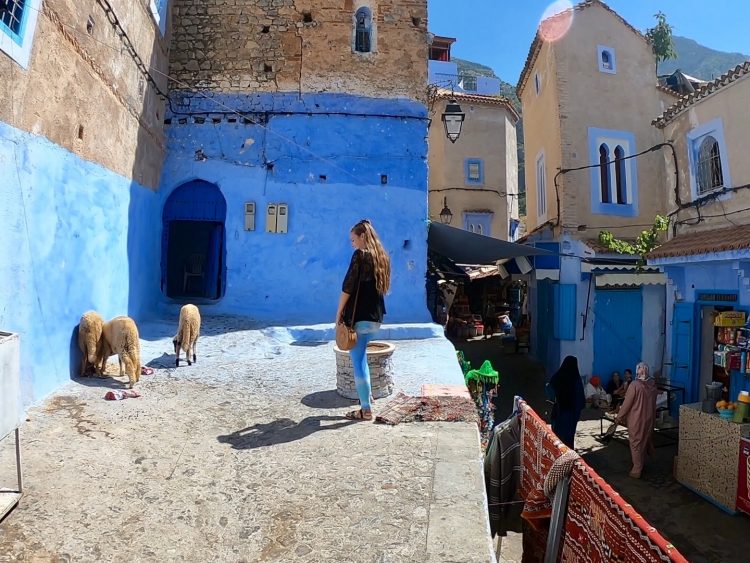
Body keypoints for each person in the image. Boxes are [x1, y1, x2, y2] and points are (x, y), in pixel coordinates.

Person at [336, 220, 391, 421]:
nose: (352, 243)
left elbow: (348, 287)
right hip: (375, 317)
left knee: (358, 362)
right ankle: (366, 398)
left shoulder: (360, 255)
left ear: (362, 237)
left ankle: (365, 410)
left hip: (358, 316)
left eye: (353, 239)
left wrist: (338, 313)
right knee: (363, 358)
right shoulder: (382, 257)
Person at [615, 361, 657, 478]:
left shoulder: (634, 385)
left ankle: (637, 469)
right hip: (649, 418)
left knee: (636, 443)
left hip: (636, 419)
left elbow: (627, 404)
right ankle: (641, 463)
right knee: (643, 440)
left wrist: (619, 417)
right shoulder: (652, 384)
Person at [546, 356, 586, 449]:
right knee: (568, 435)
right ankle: (568, 454)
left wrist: (555, 399)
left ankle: (556, 451)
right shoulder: (576, 379)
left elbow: (549, 387)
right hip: (571, 412)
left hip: (559, 409)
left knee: (558, 432)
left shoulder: (558, 376)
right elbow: (580, 398)